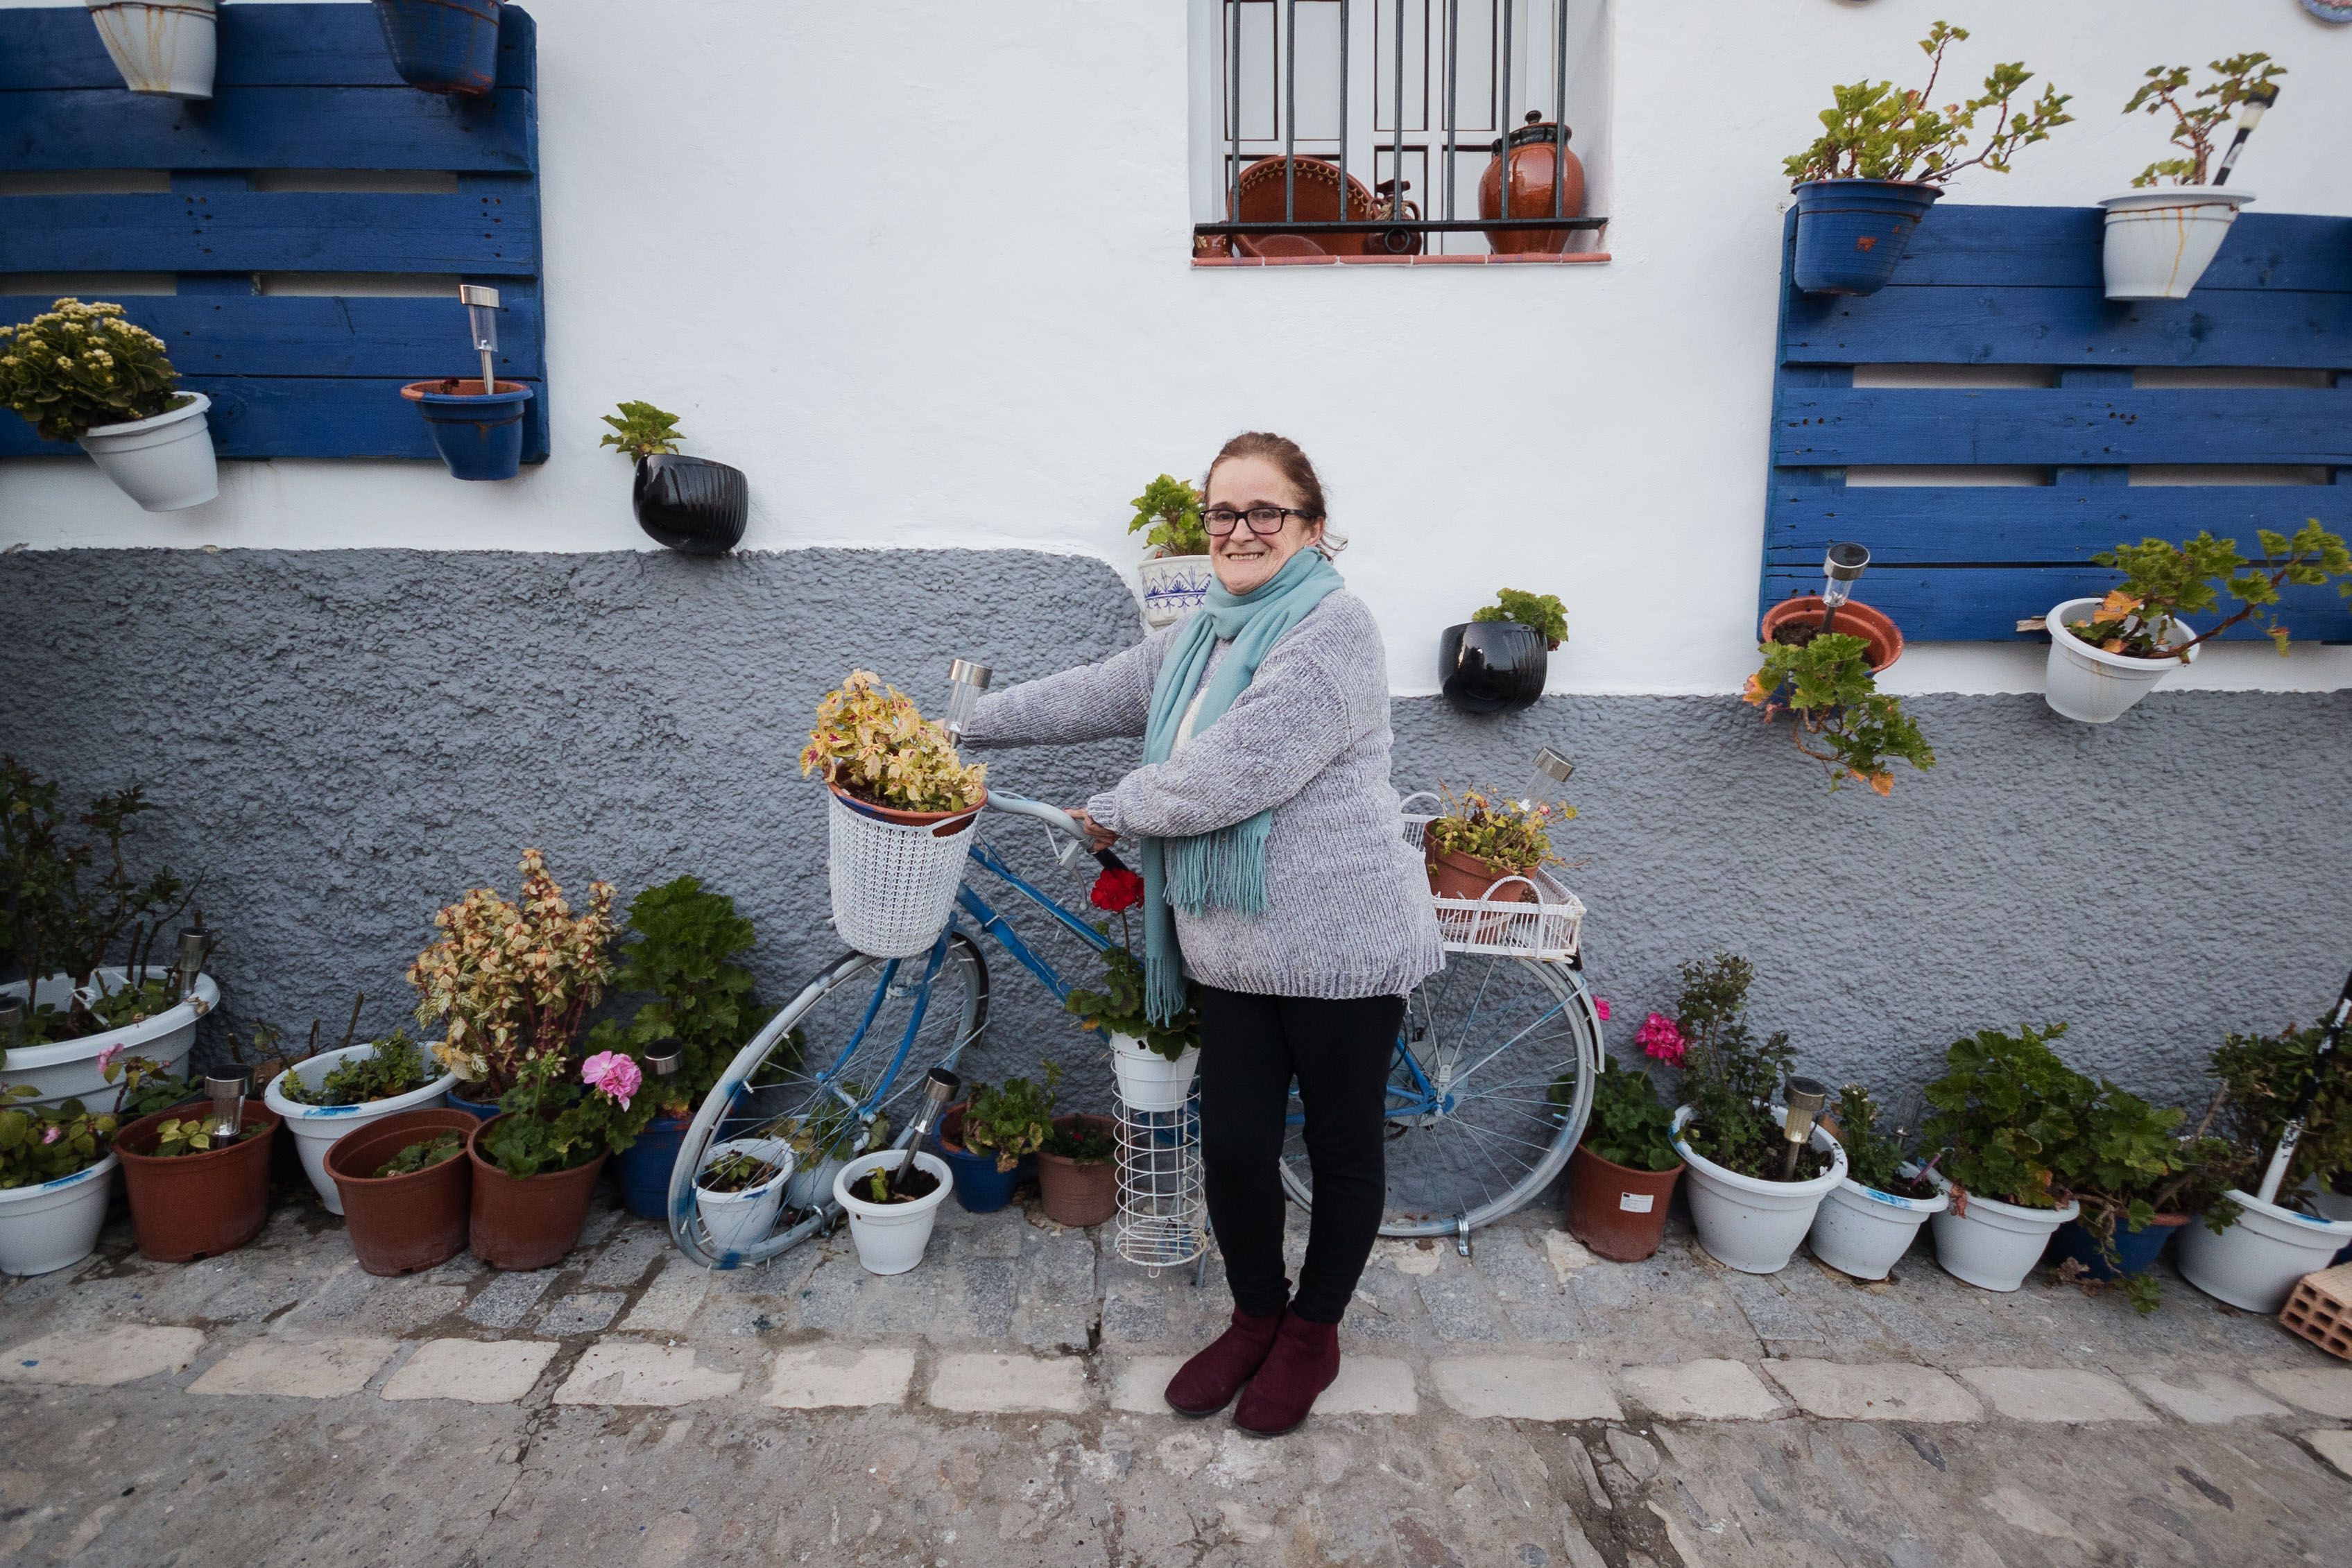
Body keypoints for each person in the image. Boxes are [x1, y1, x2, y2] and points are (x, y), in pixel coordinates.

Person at [962, 431, 1443, 1436]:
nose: (1241, 530)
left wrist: (1117, 804)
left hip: (1339, 945)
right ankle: (1255, 1314)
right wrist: (964, 726)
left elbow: (1237, 769)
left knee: (1345, 1148)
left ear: (1313, 526)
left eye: (1266, 511)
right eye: (1223, 512)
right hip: (1232, 943)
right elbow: (1098, 689)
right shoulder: (1202, 633)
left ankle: (1312, 1334)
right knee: (1230, 1144)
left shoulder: (1333, 628)